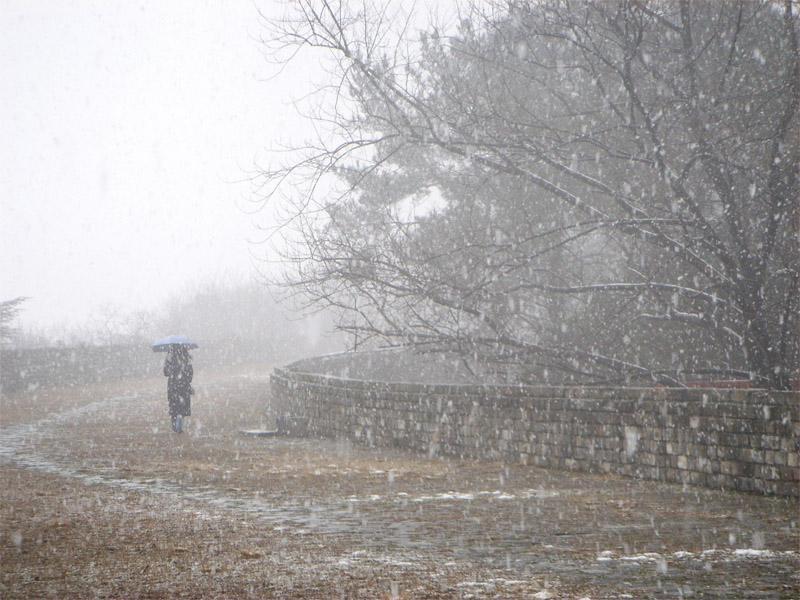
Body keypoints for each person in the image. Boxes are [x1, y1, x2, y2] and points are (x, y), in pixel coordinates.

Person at [163, 345, 193, 433]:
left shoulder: (170, 358)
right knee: (182, 406)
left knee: (173, 405)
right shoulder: (186, 359)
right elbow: (190, 375)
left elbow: (165, 373)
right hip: (183, 385)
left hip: (172, 385)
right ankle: (179, 425)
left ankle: (174, 425)